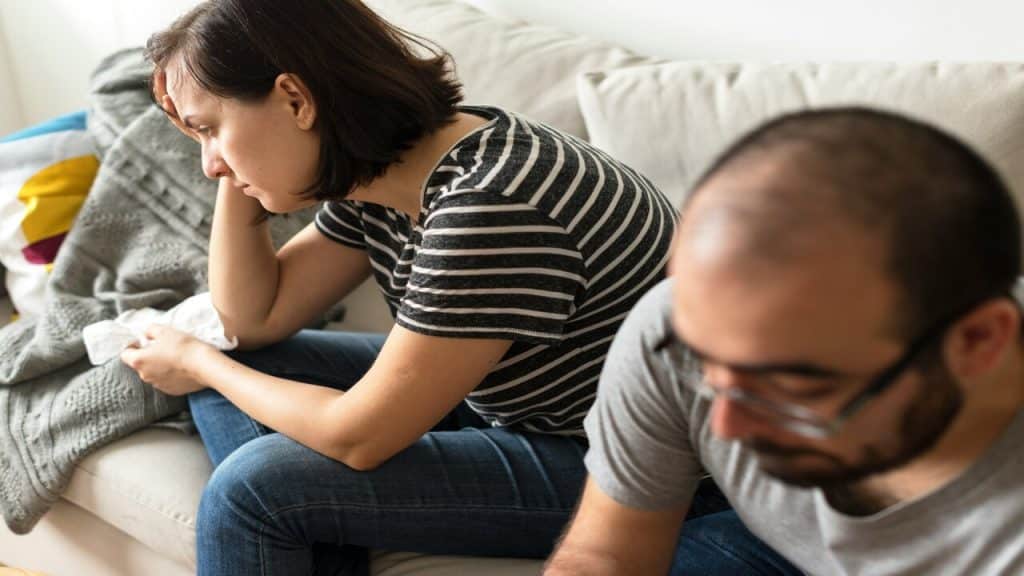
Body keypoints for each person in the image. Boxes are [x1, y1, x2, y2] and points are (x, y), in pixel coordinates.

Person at [117, 0, 689, 573]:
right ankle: (320, 530)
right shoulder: (387, 171)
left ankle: (306, 524)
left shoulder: (492, 204)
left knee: (254, 486)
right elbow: (253, 317)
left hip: (623, 471)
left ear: (296, 99)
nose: (208, 165)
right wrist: (235, 157)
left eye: (210, 129)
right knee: (245, 370)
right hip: (511, 408)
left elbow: (358, 436)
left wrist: (195, 360)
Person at [546, 107, 1024, 575]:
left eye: (795, 384)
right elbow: (605, 555)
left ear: (977, 341)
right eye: (705, 363)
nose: (727, 427)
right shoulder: (679, 329)